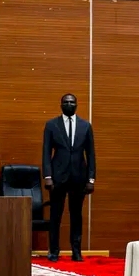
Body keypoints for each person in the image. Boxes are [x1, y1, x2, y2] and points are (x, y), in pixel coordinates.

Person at [42, 93, 96, 261]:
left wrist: (91, 179)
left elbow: (91, 154)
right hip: (57, 177)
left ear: (77, 105)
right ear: (61, 105)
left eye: (72, 102)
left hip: (79, 177)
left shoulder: (85, 126)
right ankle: (54, 251)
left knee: (76, 215)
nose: (69, 104)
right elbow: (46, 152)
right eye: (66, 102)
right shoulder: (51, 125)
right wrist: (48, 176)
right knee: (55, 215)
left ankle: (76, 251)